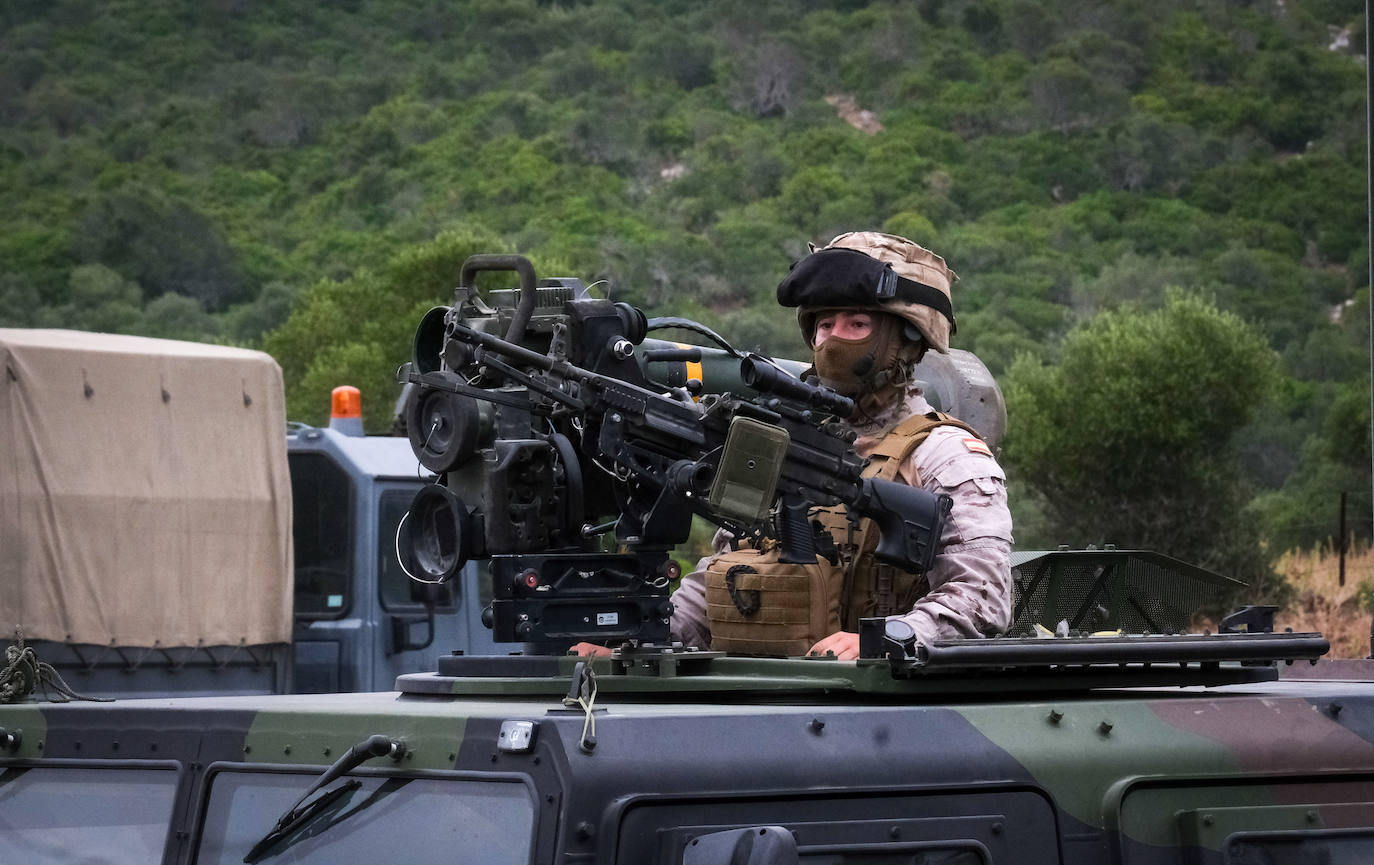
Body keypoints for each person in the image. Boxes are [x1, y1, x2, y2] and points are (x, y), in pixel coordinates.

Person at [575, 230, 1012, 659]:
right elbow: (725, 574)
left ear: (906, 341)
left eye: (856, 324)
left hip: (885, 704)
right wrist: (642, 641)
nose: (833, 340)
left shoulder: (944, 455)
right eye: (824, 325)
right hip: (774, 698)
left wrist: (889, 638)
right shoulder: (784, 443)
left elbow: (983, 596)